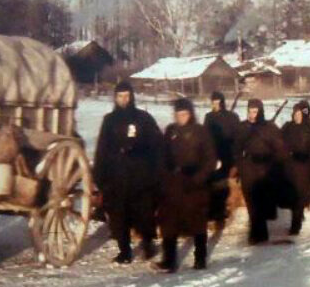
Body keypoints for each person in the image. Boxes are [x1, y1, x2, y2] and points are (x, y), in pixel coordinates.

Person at [93, 81, 163, 264]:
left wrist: (141, 151)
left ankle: (148, 245)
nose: (124, 100)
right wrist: (99, 176)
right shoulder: (109, 120)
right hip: (117, 177)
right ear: (115, 98)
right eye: (120, 96)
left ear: (132, 97)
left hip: (140, 176)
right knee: (118, 215)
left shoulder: (143, 118)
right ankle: (124, 251)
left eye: (127, 96)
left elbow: (157, 143)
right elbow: (102, 148)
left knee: (144, 212)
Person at [156, 98, 216, 272]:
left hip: (195, 184)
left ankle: (200, 258)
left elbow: (210, 159)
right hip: (174, 184)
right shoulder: (170, 131)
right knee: (169, 222)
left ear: (190, 114)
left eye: (184, 114)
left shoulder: (201, 132)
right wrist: (165, 175)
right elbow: (162, 156)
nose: (181, 118)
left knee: (197, 221)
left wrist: (199, 178)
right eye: (178, 114)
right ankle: (169, 260)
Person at [234, 99, 285, 244]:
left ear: (260, 112)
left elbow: (280, 149)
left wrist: (275, 167)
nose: (252, 114)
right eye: (250, 111)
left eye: (255, 111)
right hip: (248, 167)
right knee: (250, 199)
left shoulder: (269, 127)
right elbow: (236, 149)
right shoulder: (242, 127)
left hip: (265, 168)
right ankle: (256, 232)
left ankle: (259, 232)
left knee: (262, 200)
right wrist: (239, 165)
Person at [279, 101, 310, 235]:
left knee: (300, 195)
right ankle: (297, 216)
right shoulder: (287, 128)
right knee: (292, 196)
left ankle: (295, 226)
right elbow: (279, 143)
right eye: (295, 114)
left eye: (299, 114)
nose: (297, 116)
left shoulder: (309, 130)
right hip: (290, 166)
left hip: (305, 166)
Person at [203, 91, 240, 227]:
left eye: (218, 102)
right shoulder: (209, 117)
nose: (215, 105)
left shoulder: (232, 117)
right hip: (213, 157)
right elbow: (205, 137)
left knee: (223, 186)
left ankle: (221, 215)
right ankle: (214, 213)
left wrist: (236, 160)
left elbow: (237, 138)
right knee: (213, 185)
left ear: (222, 102)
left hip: (228, 156)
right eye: (213, 102)